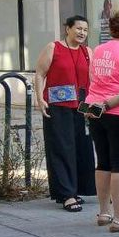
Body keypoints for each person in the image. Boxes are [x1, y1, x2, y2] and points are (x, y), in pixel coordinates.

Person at [83, 10, 119, 233]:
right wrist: (109, 103)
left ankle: (104, 212)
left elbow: (93, 78)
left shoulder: (99, 49)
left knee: (103, 162)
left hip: (95, 110)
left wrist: (101, 102)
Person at [34, 15, 97, 211]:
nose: (82, 33)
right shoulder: (53, 48)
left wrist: (93, 104)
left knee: (82, 148)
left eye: (85, 30)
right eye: (78, 28)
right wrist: (40, 98)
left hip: (82, 106)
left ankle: (78, 189)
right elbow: (39, 74)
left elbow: (92, 80)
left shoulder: (88, 51)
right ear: (68, 29)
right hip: (58, 104)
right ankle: (66, 194)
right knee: (61, 148)